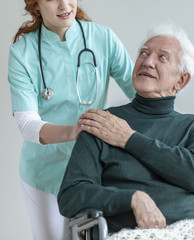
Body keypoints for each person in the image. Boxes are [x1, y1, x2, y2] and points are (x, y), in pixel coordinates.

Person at [57, 23, 194, 233]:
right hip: (130, 234)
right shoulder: (103, 123)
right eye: (143, 53)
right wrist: (132, 198)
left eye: (162, 57)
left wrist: (129, 139)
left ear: (181, 80)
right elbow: (71, 195)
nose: (147, 62)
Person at [8, 0, 135, 239]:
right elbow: (27, 124)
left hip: (95, 169)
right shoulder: (21, 54)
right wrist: (74, 131)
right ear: (35, 5)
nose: (64, 4)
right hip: (45, 173)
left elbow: (139, 94)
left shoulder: (103, 38)